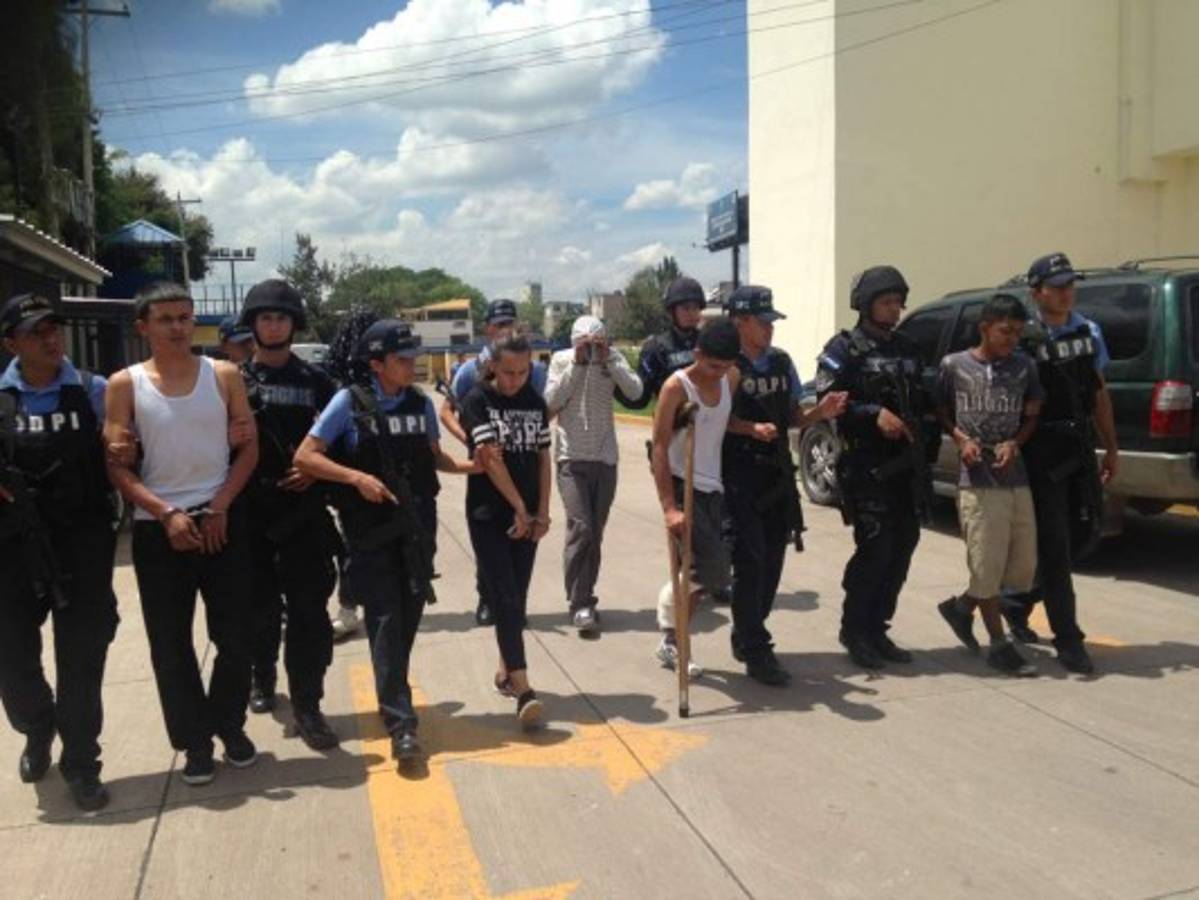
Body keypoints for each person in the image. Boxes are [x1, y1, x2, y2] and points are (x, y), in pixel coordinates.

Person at [295, 318, 475, 762]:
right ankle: (401, 721)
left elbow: (436, 460)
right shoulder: (349, 403)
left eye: (414, 356)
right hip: (371, 533)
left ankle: (391, 692)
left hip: (417, 530)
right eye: (402, 358)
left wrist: (477, 468)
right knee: (386, 619)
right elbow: (306, 456)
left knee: (408, 618)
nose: (413, 365)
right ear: (376, 364)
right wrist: (356, 478)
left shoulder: (420, 403)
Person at [104, 281, 260, 786]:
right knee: (171, 647)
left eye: (185, 317)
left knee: (237, 637)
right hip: (160, 530)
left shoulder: (224, 375)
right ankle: (194, 742)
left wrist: (220, 506)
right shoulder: (125, 384)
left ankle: (229, 724)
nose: (177, 326)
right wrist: (165, 512)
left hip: (220, 522)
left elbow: (249, 451)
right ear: (143, 326)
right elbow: (118, 468)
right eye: (166, 318)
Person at [0, 294, 119, 811]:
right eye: (36, 332)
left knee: (82, 661)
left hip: (82, 547)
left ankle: (82, 762)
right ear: (11, 343)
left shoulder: (95, 391)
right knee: (12, 662)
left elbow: (124, 451)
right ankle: (36, 725)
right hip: (12, 550)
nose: (51, 339)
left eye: (55, 329)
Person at [1001, 253, 1119, 675]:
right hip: (1041, 449)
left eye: (1071, 284)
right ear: (1037, 293)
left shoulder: (1089, 331)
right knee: (1054, 542)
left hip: (1079, 446)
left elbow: (1099, 392)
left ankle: (1011, 604)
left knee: (1084, 535)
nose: (1067, 292)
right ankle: (1068, 639)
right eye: (1057, 285)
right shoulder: (1023, 337)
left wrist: (1111, 446)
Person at [722, 286, 847, 685]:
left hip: (777, 476)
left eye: (772, 322)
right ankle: (756, 648)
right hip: (738, 477)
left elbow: (793, 416)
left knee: (772, 563)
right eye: (762, 322)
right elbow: (710, 420)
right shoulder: (724, 366)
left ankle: (747, 631)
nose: (769, 329)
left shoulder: (781, 362)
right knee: (750, 562)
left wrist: (820, 413)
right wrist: (748, 428)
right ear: (740, 322)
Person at [816, 266, 938, 670]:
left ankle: (878, 628)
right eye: (887, 302)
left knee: (903, 546)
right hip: (868, 469)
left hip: (906, 470)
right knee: (876, 549)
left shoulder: (908, 348)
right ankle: (855, 630)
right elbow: (829, 402)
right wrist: (872, 414)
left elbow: (928, 398)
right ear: (866, 305)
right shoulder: (844, 349)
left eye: (898, 302)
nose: (895, 309)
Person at [236, 280, 341, 749]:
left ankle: (308, 704)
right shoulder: (232, 382)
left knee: (308, 618)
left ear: (293, 324)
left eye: (281, 317)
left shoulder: (318, 383)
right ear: (252, 323)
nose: (273, 324)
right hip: (253, 517)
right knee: (257, 613)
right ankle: (262, 675)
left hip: (305, 516)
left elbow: (343, 440)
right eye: (265, 317)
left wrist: (318, 475)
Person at [935, 294, 1043, 677]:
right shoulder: (954, 366)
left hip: (1015, 478)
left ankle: (961, 608)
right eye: (1004, 331)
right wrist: (961, 439)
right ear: (985, 328)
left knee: (1022, 566)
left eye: (1017, 332)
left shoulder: (1024, 367)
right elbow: (942, 411)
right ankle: (999, 644)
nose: (1012, 338)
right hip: (977, 482)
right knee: (985, 566)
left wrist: (1016, 442)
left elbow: (1032, 415)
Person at [458, 333, 552, 727]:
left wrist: (541, 512)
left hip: (529, 516)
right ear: (492, 366)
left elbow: (544, 457)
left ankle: (504, 670)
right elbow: (490, 462)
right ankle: (524, 688)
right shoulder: (477, 401)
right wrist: (518, 508)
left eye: (523, 371)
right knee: (506, 598)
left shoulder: (535, 401)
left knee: (518, 596)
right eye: (508, 372)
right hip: (489, 515)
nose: (515, 381)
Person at [439, 299, 547, 627]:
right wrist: (473, 440)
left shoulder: (534, 371)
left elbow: (536, 410)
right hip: (487, 462)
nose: (505, 329)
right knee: (490, 543)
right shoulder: (469, 371)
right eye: (499, 325)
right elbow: (447, 411)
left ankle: (511, 607)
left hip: (519, 458)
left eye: (510, 323)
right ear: (488, 329)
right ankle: (487, 597)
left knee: (515, 556)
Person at [650, 317, 743, 677]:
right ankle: (674, 641)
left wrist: (751, 427)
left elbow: (722, 421)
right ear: (697, 353)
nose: (718, 373)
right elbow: (658, 446)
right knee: (708, 571)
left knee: (704, 575)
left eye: (726, 366)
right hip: (680, 482)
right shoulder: (677, 387)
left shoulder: (730, 379)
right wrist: (669, 507)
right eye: (712, 365)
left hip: (712, 486)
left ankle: (669, 632)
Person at [544, 315, 643, 635]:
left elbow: (635, 390)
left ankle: (586, 596)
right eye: (583, 343)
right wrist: (576, 363)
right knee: (581, 528)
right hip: (570, 458)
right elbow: (550, 403)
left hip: (605, 459)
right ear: (573, 342)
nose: (589, 348)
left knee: (595, 533)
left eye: (594, 342)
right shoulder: (561, 361)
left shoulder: (612, 359)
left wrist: (609, 360)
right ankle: (578, 602)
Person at [617, 276, 705, 410]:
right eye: (686, 308)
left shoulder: (709, 342)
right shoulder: (655, 349)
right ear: (671, 311)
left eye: (696, 308)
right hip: (674, 426)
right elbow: (640, 399)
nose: (692, 313)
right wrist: (616, 383)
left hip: (710, 423)